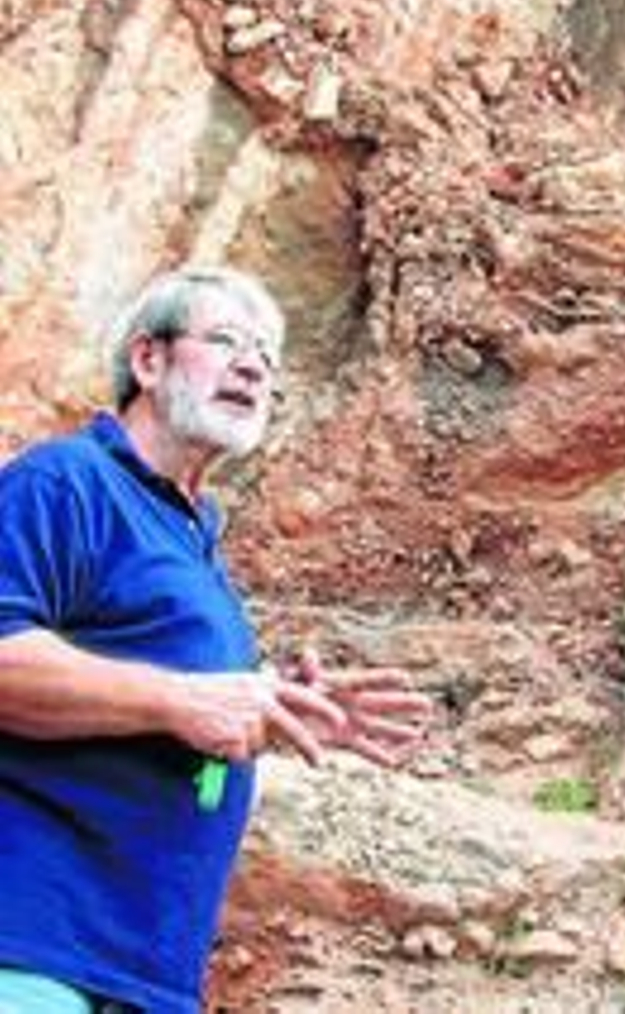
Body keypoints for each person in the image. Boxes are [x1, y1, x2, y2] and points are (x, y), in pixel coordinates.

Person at [0, 267, 431, 1012]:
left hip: (145, 970)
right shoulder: (69, 482)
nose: (254, 366)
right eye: (228, 340)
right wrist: (181, 699)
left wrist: (278, 712)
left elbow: (182, 712)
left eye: (266, 355)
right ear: (148, 359)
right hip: (32, 947)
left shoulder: (194, 545)